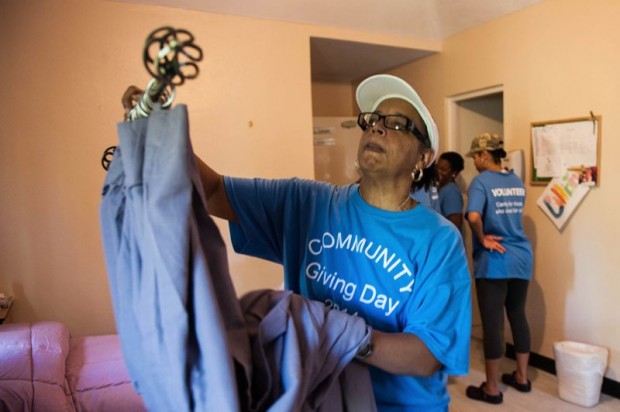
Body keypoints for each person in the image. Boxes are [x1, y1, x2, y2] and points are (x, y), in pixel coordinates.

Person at [123, 74, 472, 411]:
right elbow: (213, 191)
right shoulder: (307, 203)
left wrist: (347, 336)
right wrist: (158, 130)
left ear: (423, 158)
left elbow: (427, 355)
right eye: (373, 120)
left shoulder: (439, 240)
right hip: (314, 397)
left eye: (397, 124)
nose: (377, 128)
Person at [463, 132, 533, 405]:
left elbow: (473, 216)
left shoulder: (481, 182)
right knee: (518, 315)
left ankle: (491, 388)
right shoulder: (516, 181)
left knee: (493, 324)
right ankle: (522, 377)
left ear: (484, 155)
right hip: (522, 257)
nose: (474, 162)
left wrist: (482, 238)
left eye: (475, 157)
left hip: (495, 260)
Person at [435, 151, 464, 229]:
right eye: (437, 167)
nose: (438, 171)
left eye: (443, 169)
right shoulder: (441, 188)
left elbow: (455, 224)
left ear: (454, 173)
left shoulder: (451, 193)